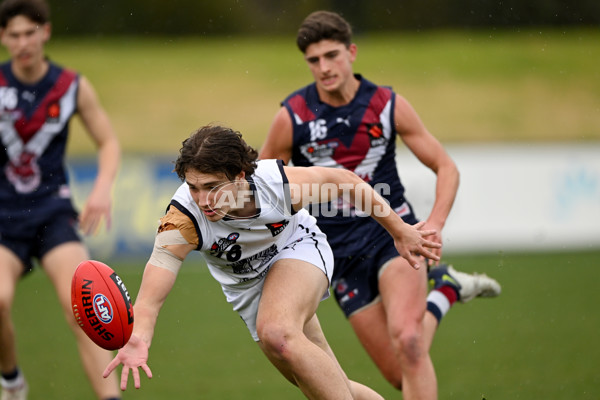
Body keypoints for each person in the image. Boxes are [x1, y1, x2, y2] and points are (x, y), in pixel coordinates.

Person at [259, 10, 501, 399]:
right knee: (396, 374)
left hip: (393, 233)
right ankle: (446, 292)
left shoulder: (387, 104)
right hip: (335, 253)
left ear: (352, 52)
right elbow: (264, 186)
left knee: (409, 342)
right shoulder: (293, 116)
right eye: (314, 60)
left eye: (332, 55)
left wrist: (434, 224)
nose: (324, 67)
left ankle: (440, 290)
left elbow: (446, 167)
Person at [103, 125, 442, 399]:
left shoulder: (275, 185)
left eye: (212, 186)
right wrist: (139, 336)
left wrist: (399, 231)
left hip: (297, 251)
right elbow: (150, 297)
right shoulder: (182, 221)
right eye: (193, 187)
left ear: (239, 176)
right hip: (248, 292)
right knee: (328, 384)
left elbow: (346, 183)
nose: (203, 199)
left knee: (277, 332)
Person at [0, 0, 122, 399]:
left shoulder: (71, 86)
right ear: (3, 37)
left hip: (53, 212)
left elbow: (108, 141)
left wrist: (102, 187)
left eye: (29, 33)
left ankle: (111, 397)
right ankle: (12, 380)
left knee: (84, 310)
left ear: (45, 32)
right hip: (4, 216)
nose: (23, 43)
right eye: (14, 35)